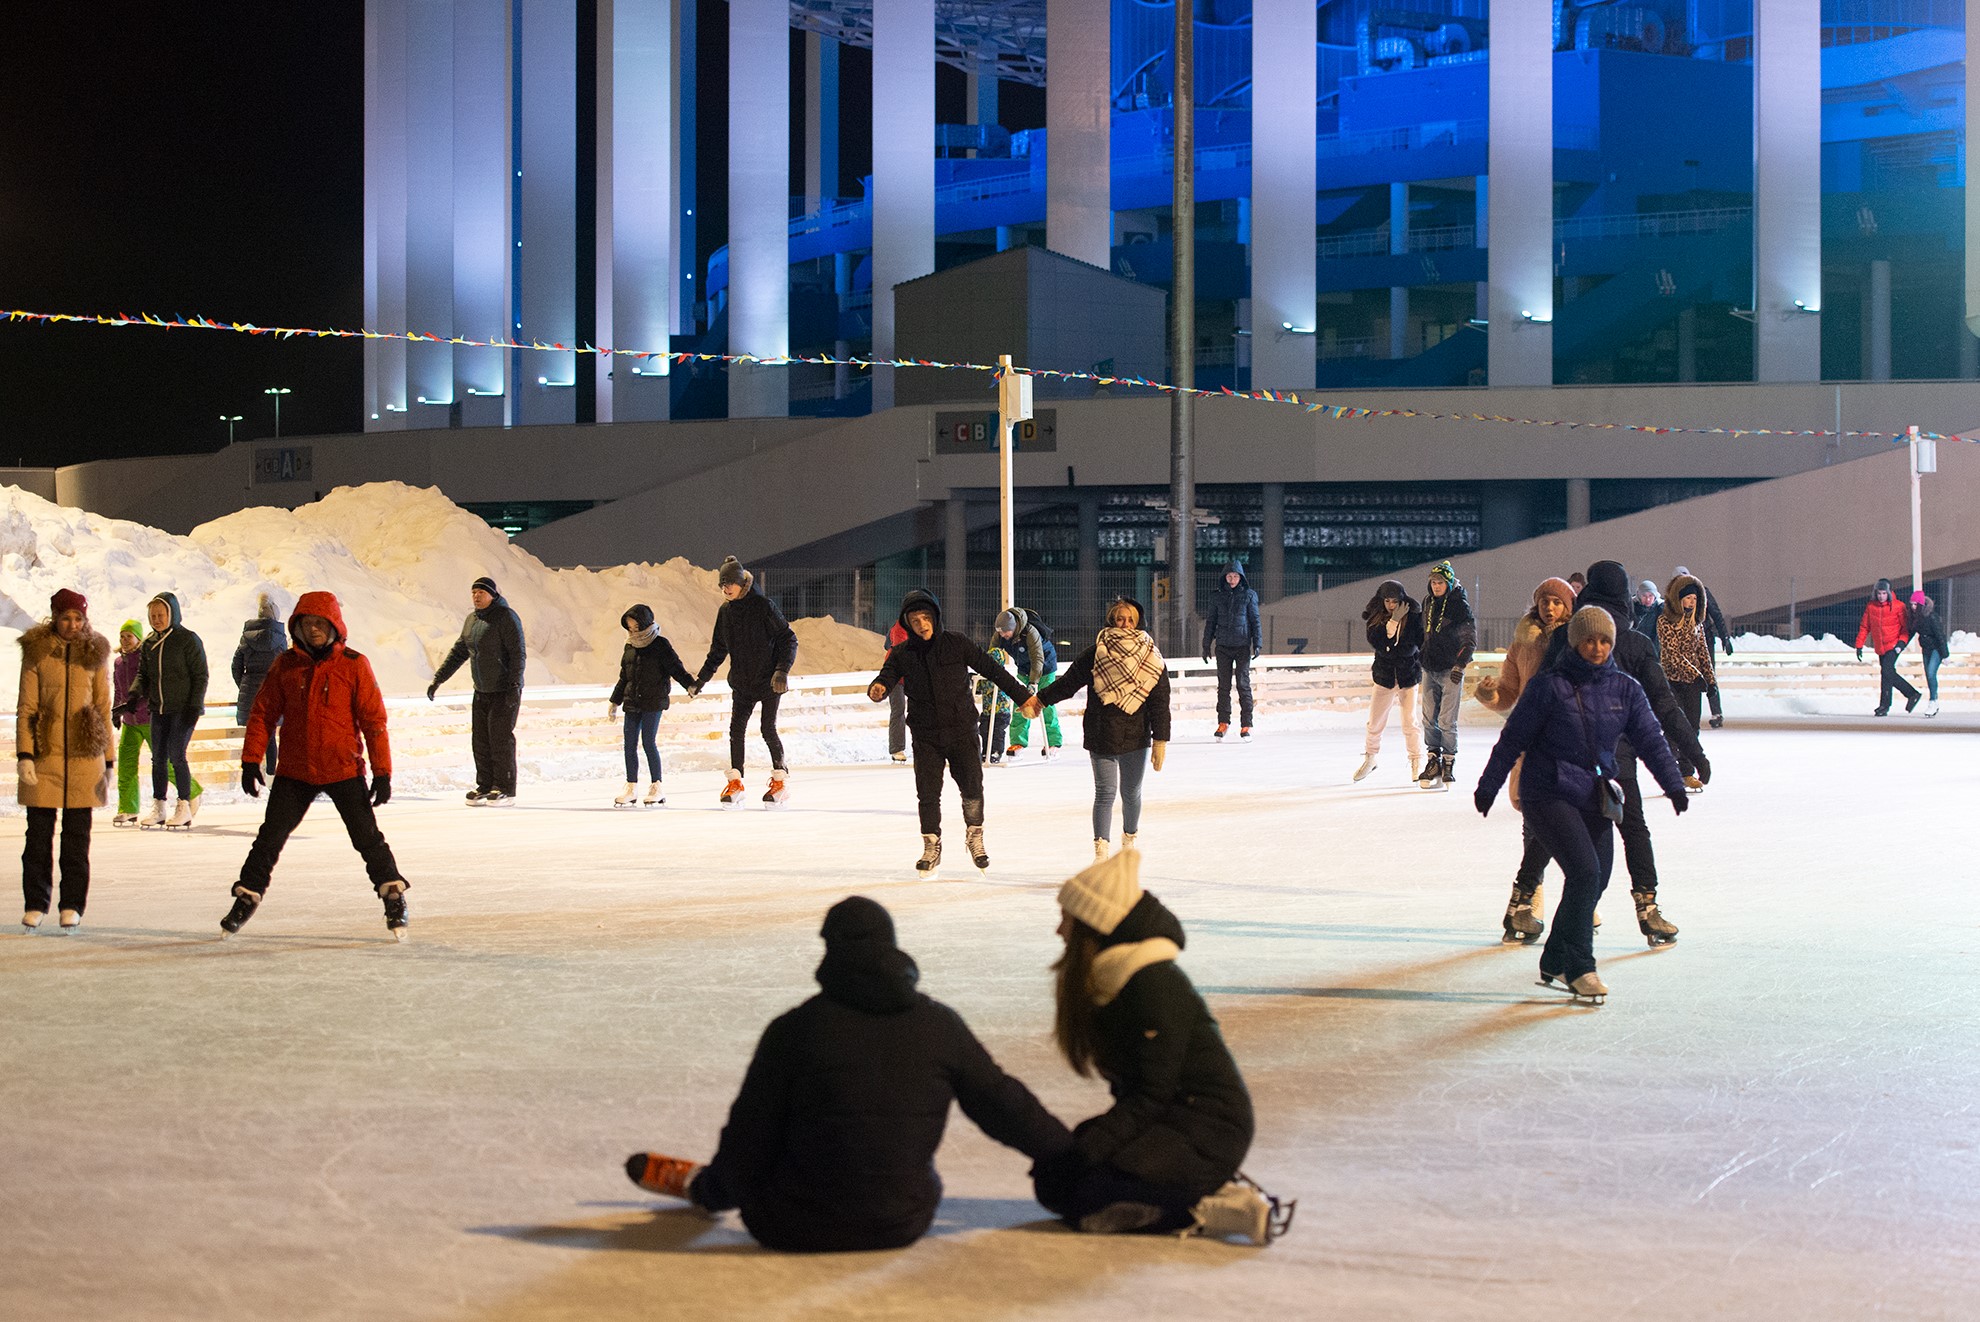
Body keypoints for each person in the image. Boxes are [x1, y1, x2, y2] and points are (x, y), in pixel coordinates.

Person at [624, 896, 1073, 1252]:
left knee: (773, 1147)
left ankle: (699, 1183)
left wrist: (712, 1192)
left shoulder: (793, 1030)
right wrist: (1074, 1155)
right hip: (903, 1222)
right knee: (919, 1173)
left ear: (830, 948)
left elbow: (750, 1135)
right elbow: (1003, 1105)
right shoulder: (940, 1025)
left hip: (789, 1225)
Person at [1032, 850, 1293, 1243]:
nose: (1059, 931)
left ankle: (1208, 1208)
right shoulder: (1114, 981)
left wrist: (1091, 1149)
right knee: (1054, 1179)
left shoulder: (1152, 985)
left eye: (1067, 919)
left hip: (1209, 1128)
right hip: (1172, 1120)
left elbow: (1153, 1092)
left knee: (1081, 1190)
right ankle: (1183, 1189)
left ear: (1093, 926)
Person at [1474, 606, 1690, 1005]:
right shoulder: (1548, 687)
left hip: (1593, 793)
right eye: (1589, 640)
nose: (1597, 647)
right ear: (1574, 642)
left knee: (1596, 878)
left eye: (1604, 640)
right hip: (1548, 790)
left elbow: (1651, 739)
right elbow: (1512, 738)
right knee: (1586, 871)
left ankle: (1555, 957)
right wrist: (1489, 785)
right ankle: (1580, 967)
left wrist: (1673, 784)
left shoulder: (1624, 688)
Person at [1537, 561, 1709, 948]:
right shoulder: (1633, 642)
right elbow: (1664, 704)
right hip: (1619, 761)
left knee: (1560, 834)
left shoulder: (1568, 636)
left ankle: (1528, 901)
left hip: (1570, 759)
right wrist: (1694, 751)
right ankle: (1647, 910)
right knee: (1633, 830)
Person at [223, 592, 409, 940]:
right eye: (308, 624)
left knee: (367, 838)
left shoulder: (354, 664)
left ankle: (392, 893)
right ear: (298, 628)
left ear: (334, 626)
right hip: (296, 770)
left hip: (342, 768)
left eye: (320, 623)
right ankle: (247, 893)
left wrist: (383, 771)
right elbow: (262, 714)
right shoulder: (285, 665)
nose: (314, 629)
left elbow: (373, 721)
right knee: (269, 838)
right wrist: (251, 760)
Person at [867, 590, 1032, 876]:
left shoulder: (957, 643)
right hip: (926, 735)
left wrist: (1023, 697)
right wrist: (878, 688)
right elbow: (887, 675)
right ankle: (931, 845)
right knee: (927, 794)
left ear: (935, 617)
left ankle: (975, 835)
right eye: (915, 619)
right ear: (907, 623)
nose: (921, 624)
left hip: (961, 732)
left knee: (972, 788)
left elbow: (994, 671)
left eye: (926, 617)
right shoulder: (902, 653)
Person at [1474, 577, 1576, 944]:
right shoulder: (1523, 643)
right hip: (1533, 742)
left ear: (1568, 606)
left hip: (1572, 743)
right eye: (1544, 601)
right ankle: (1531, 904)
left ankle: (1579, 897)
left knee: (1571, 826)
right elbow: (1509, 693)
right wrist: (1490, 693)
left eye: (1557, 602)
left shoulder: (1579, 639)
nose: (1550, 608)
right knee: (1535, 824)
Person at [1034, 597, 1171, 862]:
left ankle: (1129, 842)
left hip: (1136, 733)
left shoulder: (1151, 656)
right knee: (1105, 792)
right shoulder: (1097, 652)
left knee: (1131, 793)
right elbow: (1069, 683)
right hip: (1102, 732)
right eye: (1120, 618)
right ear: (1111, 620)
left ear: (1138, 621)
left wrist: (1160, 740)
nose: (1125, 623)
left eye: (1130, 619)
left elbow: (1159, 700)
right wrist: (1040, 700)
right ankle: (1101, 852)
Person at [16, 589, 113, 934]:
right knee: (38, 838)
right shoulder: (38, 653)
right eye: (66, 617)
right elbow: (26, 707)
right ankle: (35, 903)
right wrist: (24, 754)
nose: (72, 624)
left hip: (85, 759)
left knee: (77, 841)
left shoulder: (95, 655)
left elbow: (103, 709)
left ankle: (72, 904)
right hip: (44, 756)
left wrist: (110, 761)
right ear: (54, 618)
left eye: (78, 618)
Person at [692, 556, 799, 806]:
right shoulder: (725, 612)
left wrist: (782, 671)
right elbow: (718, 650)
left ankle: (780, 781)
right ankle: (736, 782)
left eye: (730, 583)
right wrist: (701, 680)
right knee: (735, 730)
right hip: (741, 682)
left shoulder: (763, 606)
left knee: (767, 728)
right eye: (722, 584)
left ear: (742, 583)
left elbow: (788, 639)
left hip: (769, 680)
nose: (726, 589)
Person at [428, 575, 526, 804]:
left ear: (492, 595)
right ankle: (485, 785)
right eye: (473, 593)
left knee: (500, 739)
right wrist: (438, 679)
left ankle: (504, 787)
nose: (476, 596)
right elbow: (459, 652)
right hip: (481, 690)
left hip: (504, 689)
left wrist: (514, 684)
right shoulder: (472, 620)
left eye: (481, 593)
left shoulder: (506, 617)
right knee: (480, 740)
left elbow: (517, 653)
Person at [119, 591, 208, 830]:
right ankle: (159, 805)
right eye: (153, 615)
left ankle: (185, 805)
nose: (157, 619)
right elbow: (143, 674)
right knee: (158, 758)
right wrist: (134, 694)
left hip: (183, 709)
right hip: (158, 708)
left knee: (177, 755)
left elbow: (200, 675)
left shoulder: (187, 640)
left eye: (161, 614)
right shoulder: (149, 643)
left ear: (172, 613)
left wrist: (195, 705)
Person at [608, 604, 696, 807]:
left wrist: (689, 685)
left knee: (648, 742)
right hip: (632, 701)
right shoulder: (630, 646)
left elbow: (676, 667)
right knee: (629, 744)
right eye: (629, 627)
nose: (632, 631)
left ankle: (657, 786)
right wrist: (615, 700)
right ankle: (631, 786)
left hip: (653, 700)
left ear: (645, 623)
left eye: (635, 626)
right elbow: (624, 677)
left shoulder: (660, 644)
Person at [1353, 579, 1424, 783]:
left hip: (1408, 676)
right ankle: (1370, 758)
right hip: (1384, 677)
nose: (1391, 605)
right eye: (1387, 601)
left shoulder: (1413, 617)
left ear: (1402, 599)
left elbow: (1416, 643)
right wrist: (1392, 623)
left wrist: (1396, 645)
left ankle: (1415, 761)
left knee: (1410, 721)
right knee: (1375, 721)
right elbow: (1378, 642)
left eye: (1395, 601)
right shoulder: (1375, 619)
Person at [1415, 560, 1475, 790]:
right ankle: (1433, 760)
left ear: (1448, 583)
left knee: (1447, 720)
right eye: (1433, 582)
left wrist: (1461, 664)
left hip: (1451, 669)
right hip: (1430, 667)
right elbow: (1422, 633)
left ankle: (1449, 761)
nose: (1436, 586)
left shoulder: (1459, 605)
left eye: (1440, 582)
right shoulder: (1428, 603)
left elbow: (1469, 637)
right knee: (1429, 717)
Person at [1656, 573, 1714, 791]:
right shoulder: (1665, 621)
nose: (1692, 602)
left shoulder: (1697, 624)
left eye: (1695, 599)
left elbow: (1703, 653)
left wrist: (1711, 680)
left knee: (1692, 728)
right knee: (1672, 729)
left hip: (1692, 683)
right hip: (1672, 681)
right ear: (1678, 599)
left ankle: (1686, 772)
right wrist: (1697, 675)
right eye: (1688, 598)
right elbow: (1672, 653)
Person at [1200, 560, 1260, 739]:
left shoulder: (1249, 595)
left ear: (1241, 577)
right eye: (1229, 576)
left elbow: (1255, 620)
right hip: (1223, 647)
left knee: (1243, 684)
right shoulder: (1216, 597)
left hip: (1242, 646)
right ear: (1224, 577)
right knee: (1223, 686)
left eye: (1235, 576)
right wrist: (1206, 645)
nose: (1232, 579)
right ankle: (1223, 722)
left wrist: (1257, 643)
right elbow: (1210, 622)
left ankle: (1246, 724)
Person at [996, 606, 1061, 758]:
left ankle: (1053, 742)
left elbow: (1038, 659)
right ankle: (1018, 742)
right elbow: (993, 654)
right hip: (1024, 669)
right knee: (1021, 705)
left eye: (1005, 632)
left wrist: (1033, 682)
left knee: (1046, 704)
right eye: (1000, 632)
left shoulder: (1030, 632)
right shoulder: (1001, 635)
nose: (1003, 635)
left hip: (1045, 667)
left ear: (1014, 628)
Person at [232, 592, 287, 768]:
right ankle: (271, 775)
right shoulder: (280, 640)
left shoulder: (247, 636)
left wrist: (244, 685)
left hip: (251, 692)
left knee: (253, 735)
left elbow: (236, 665)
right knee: (269, 736)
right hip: (271, 693)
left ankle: (251, 773)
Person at [1674, 566, 1732, 727]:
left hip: (1704, 640)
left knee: (1708, 675)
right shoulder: (1673, 597)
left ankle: (1716, 712)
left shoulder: (1702, 592)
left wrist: (1725, 637)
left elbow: (1716, 614)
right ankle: (1688, 712)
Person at [1854, 578, 1917, 717]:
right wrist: (1859, 645)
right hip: (1880, 646)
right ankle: (1884, 705)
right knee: (1886, 674)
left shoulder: (1899, 606)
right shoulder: (1871, 607)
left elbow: (1905, 629)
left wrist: (1901, 643)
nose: (1881, 596)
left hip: (1893, 645)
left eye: (1883, 593)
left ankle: (1912, 694)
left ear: (1889, 593)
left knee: (1887, 671)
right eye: (1879, 593)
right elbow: (1865, 627)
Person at [975, 641, 1017, 765]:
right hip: (988, 711)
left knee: (997, 732)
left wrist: (979, 683)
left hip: (1001, 712)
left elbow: (987, 687)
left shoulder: (1000, 676)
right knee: (984, 729)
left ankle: (996, 751)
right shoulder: (985, 676)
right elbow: (980, 688)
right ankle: (986, 751)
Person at [1909, 590, 1948, 718]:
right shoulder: (1916, 618)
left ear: (1921, 604)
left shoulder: (1931, 617)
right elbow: (1911, 633)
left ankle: (1933, 701)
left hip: (1936, 649)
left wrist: (1945, 654)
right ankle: (1934, 700)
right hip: (1926, 649)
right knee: (1928, 675)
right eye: (1911, 604)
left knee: (1931, 673)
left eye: (1915, 604)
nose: (1913, 607)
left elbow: (1940, 636)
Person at [885, 618, 910, 763]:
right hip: (895, 673)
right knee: (898, 708)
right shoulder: (901, 626)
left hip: (915, 673)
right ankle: (897, 748)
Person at [1632, 580, 1663, 649]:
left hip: (1654, 648)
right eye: (1644, 596)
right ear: (1639, 595)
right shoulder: (1631, 606)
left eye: (1650, 596)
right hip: (1635, 646)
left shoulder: (1661, 608)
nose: (1648, 599)